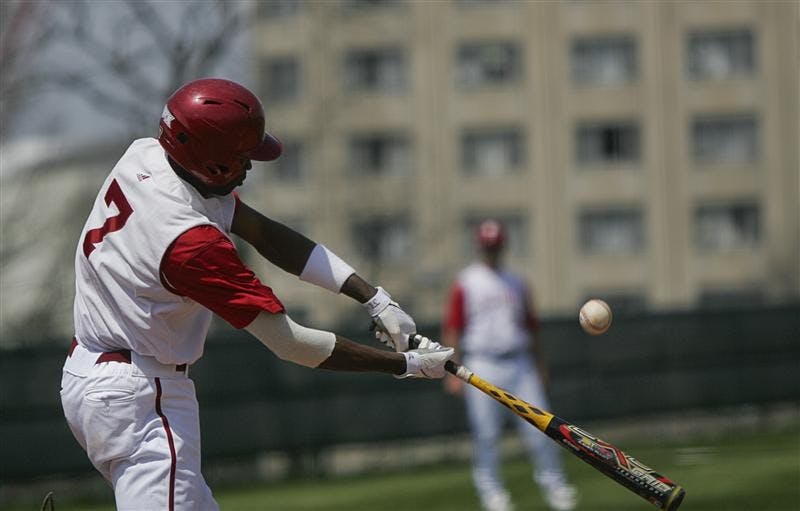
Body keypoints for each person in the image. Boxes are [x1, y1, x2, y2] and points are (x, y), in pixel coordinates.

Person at [60, 77, 454, 511]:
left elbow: (265, 233)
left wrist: (373, 297)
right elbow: (292, 344)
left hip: (97, 374)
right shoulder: (191, 244)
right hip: (140, 396)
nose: (249, 167)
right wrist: (406, 365)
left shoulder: (149, 154)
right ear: (211, 163)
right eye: (242, 157)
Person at [442, 219, 576, 511]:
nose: (492, 251)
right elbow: (453, 327)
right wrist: (452, 369)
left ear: (502, 246)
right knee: (486, 434)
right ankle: (492, 494)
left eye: (496, 246)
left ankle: (555, 486)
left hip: (519, 362)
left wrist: (540, 366)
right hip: (481, 363)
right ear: (480, 247)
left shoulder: (517, 281)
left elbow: (531, 328)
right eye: (487, 247)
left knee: (541, 427)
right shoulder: (466, 281)